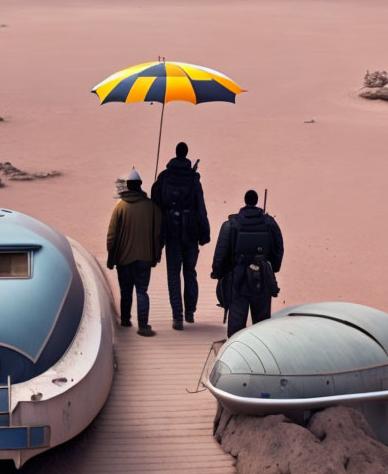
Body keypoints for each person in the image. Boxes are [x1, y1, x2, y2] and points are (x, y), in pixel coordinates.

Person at [152, 142, 210, 330]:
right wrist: (204, 233)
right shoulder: (193, 178)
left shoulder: (164, 177)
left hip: (171, 231)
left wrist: (158, 235)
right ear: (186, 155)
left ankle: (177, 316)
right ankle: (190, 311)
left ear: (175, 154)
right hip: (191, 232)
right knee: (189, 272)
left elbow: (156, 205)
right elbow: (201, 208)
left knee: (173, 274)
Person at [211, 189, 284, 338]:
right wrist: (273, 268)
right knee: (261, 326)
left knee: (236, 327)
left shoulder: (231, 224)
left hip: (238, 279)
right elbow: (278, 248)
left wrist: (218, 273)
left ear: (245, 202)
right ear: (256, 202)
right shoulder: (269, 222)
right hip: (262, 278)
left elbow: (221, 252)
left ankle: (237, 355)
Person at [107, 168, 162, 337]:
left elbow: (111, 235)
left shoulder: (120, 207)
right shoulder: (151, 207)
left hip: (124, 258)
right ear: (140, 186)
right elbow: (158, 234)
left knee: (125, 290)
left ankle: (125, 319)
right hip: (144, 257)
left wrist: (112, 255)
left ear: (128, 186)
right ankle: (143, 325)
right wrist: (156, 255)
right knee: (142, 291)